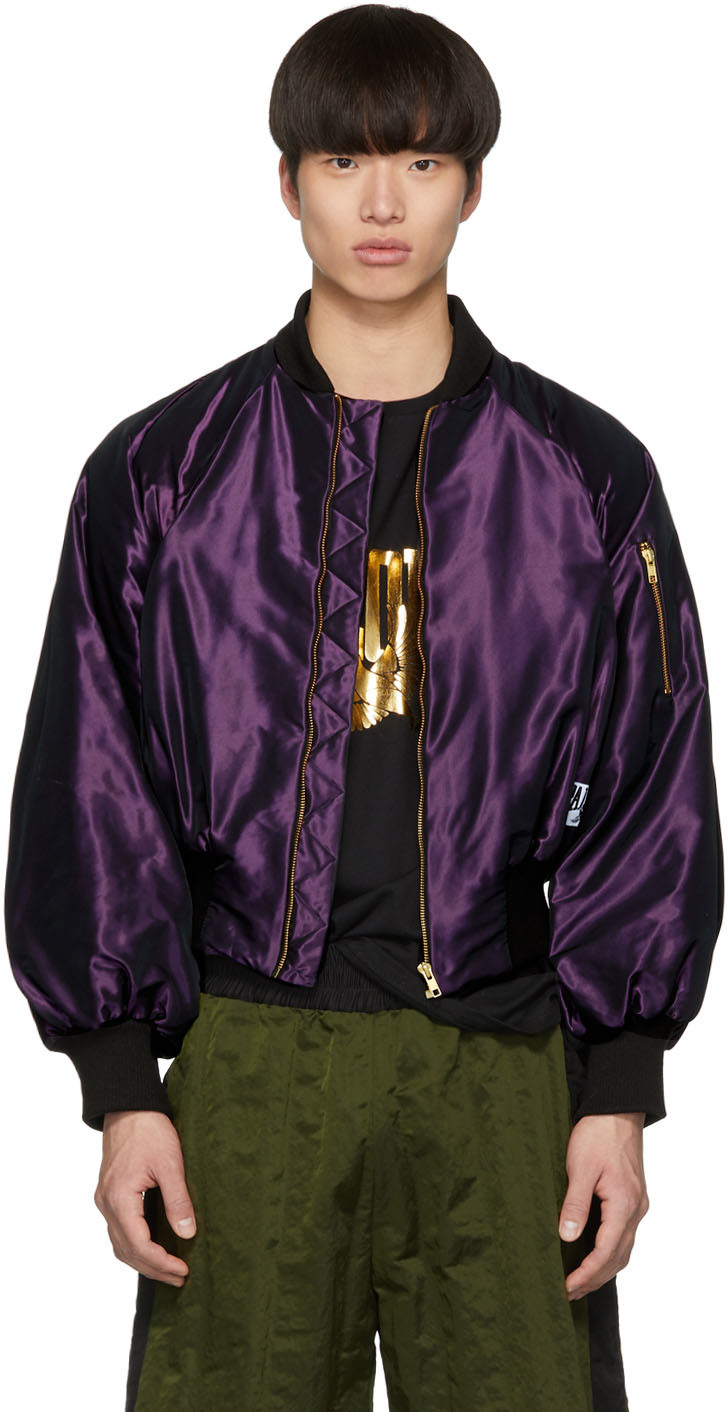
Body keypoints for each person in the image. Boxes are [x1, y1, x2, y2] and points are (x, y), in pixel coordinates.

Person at [4, 6, 723, 1410]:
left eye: (421, 162)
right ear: (288, 183)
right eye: (344, 161)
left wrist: (620, 1089)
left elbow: (653, 785)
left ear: (472, 186)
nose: (383, 203)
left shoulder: (587, 476)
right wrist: (121, 1085)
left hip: (505, 1066)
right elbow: (93, 775)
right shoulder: (161, 473)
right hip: (252, 1060)